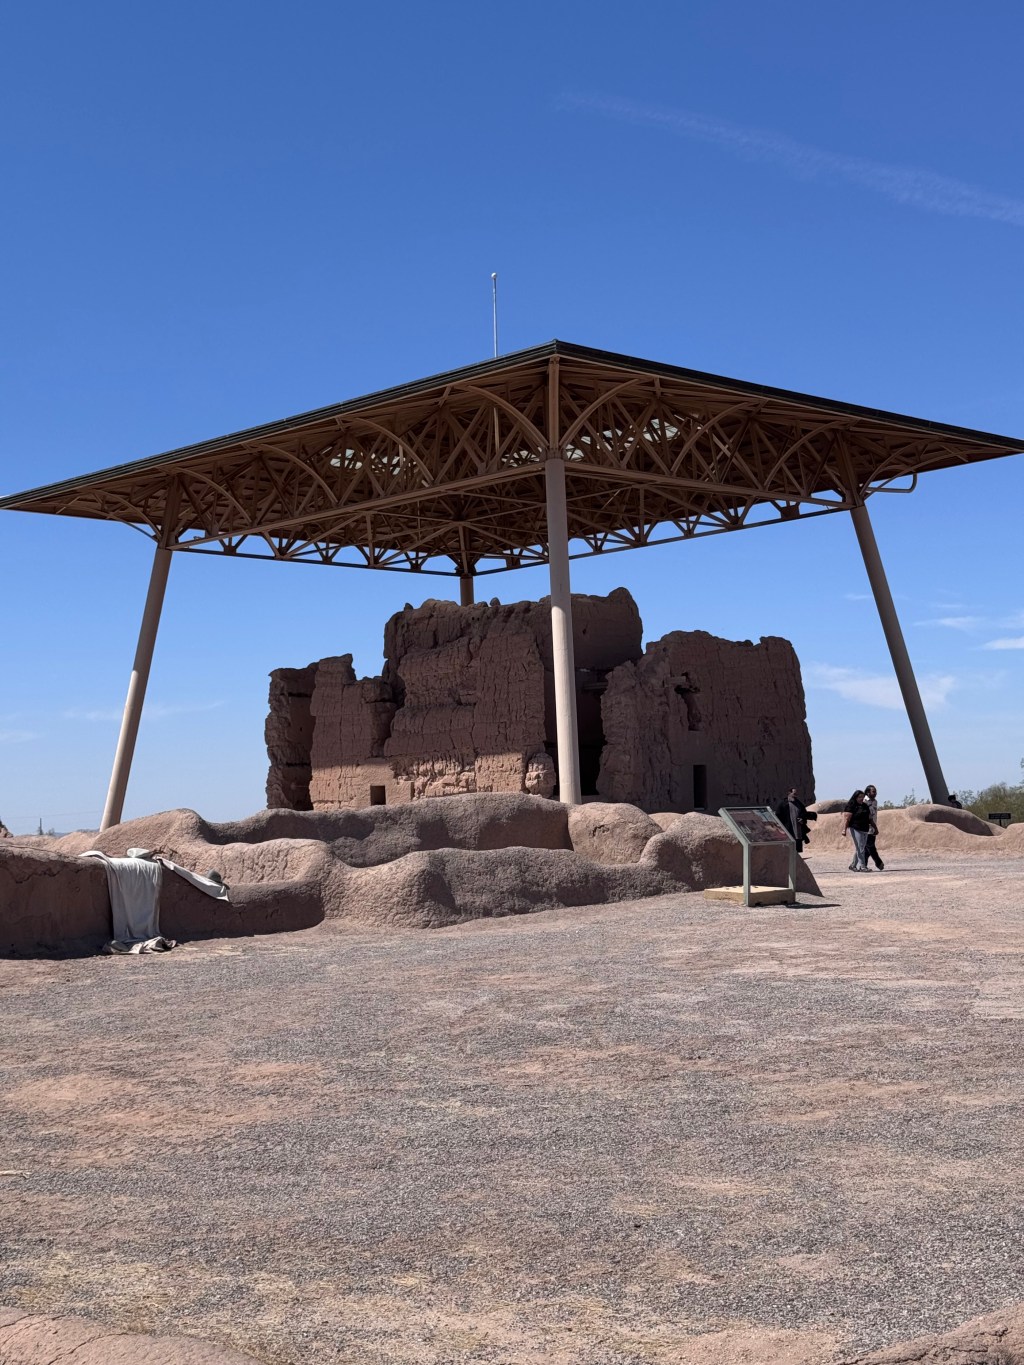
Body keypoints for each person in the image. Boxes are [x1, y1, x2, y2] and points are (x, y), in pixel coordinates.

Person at [774, 787, 817, 852]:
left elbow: (804, 814)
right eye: (794, 793)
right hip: (787, 828)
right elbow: (778, 816)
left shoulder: (799, 804)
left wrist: (802, 820)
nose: (796, 795)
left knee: (797, 848)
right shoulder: (783, 804)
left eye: (796, 794)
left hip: (798, 829)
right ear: (789, 793)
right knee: (788, 848)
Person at [843, 790, 873, 871]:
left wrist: (874, 827)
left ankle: (853, 865)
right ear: (855, 797)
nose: (861, 799)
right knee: (860, 848)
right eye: (860, 797)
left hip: (865, 828)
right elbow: (847, 819)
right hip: (855, 828)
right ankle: (862, 866)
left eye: (862, 797)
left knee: (860, 847)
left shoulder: (865, 806)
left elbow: (869, 818)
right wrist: (844, 830)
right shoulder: (851, 806)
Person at [863, 784, 883, 870]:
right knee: (870, 846)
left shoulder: (875, 802)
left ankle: (862, 864)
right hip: (866, 828)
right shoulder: (864, 802)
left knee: (867, 849)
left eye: (875, 791)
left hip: (873, 828)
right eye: (873, 791)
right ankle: (878, 863)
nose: (875, 793)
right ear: (868, 792)